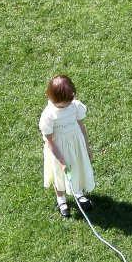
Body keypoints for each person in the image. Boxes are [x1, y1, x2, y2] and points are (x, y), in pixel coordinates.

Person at [39, 75, 95, 218]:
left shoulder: (74, 106)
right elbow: (49, 141)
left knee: (77, 167)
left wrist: (86, 146)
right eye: (66, 101)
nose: (69, 103)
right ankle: (61, 198)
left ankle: (78, 192)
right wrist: (62, 161)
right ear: (54, 99)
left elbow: (81, 126)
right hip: (59, 150)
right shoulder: (49, 115)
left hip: (75, 145)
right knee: (59, 173)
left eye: (71, 99)